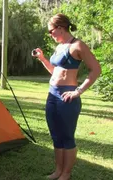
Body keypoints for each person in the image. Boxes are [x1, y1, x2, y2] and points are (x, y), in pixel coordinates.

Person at [32, 13, 101, 180]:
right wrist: (42, 58)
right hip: (52, 95)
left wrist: (78, 91)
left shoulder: (78, 46)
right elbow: (54, 72)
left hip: (67, 97)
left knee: (67, 136)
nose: (50, 34)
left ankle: (66, 174)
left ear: (60, 28)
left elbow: (96, 69)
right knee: (56, 136)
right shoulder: (59, 46)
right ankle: (58, 170)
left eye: (51, 31)